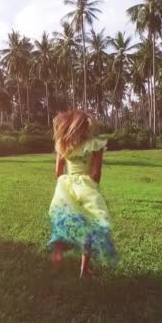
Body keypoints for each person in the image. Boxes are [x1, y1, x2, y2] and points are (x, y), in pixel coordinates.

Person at [48, 109, 118, 278]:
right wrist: (91, 189)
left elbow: (58, 172)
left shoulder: (63, 145)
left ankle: (58, 252)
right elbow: (96, 173)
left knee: (64, 221)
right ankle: (83, 270)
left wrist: (67, 185)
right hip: (86, 187)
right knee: (92, 224)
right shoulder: (95, 144)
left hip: (66, 185)